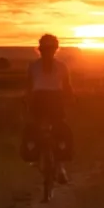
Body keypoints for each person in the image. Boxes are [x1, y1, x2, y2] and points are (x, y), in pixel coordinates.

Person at [25, 34, 73, 183]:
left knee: (34, 128)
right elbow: (67, 88)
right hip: (55, 101)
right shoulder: (62, 66)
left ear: (40, 49)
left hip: (38, 101)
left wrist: (26, 103)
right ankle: (61, 167)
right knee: (61, 131)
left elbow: (29, 88)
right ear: (55, 49)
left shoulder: (33, 66)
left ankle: (35, 155)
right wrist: (72, 100)